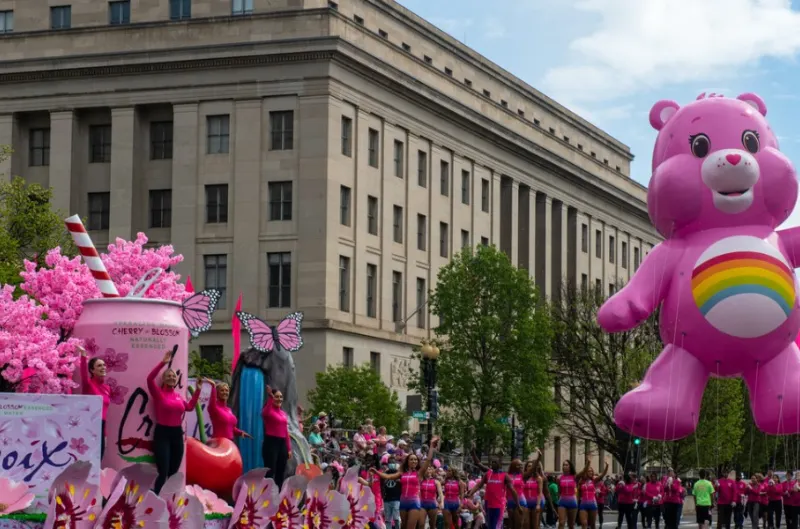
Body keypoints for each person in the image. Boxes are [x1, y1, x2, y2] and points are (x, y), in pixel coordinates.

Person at [146, 350, 204, 493]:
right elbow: (149, 379)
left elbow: (189, 407)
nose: (172, 378)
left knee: (173, 473)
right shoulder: (159, 394)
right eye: (169, 376)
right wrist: (163, 363)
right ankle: (157, 500)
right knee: (163, 472)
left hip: (177, 434)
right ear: (164, 380)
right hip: (162, 433)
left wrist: (197, 391)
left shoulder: (179, 396)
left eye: (174, 376)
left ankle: (171, 501)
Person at [371, 438, 439, 529]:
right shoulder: (402, 473)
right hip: (403, 503)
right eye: (411, 459)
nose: (414, 461)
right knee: (403, 526)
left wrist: (431, 447)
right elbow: (389, 477)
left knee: (410, 527)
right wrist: (376, 472)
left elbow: (428, 460)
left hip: (414, 503)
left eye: (415, 460)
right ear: (407, 461)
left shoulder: (419, 473)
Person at [467, 448, 521, 529]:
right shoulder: (488, 473)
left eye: (495, 462)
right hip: (488, 504)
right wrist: (470, 493)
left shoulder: (505, 476)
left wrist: (518, 505)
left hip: (499, 505)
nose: (493, 464)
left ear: (500, 464)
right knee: (490, 526)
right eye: (492, 462)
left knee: (497, 526)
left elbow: (513, 490)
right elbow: (478, 485)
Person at [78, 346, 110, 459]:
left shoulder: (107, 388)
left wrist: (105, 434)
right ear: (92, 370)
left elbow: (104, 415)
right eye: (99, 365)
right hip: (90, 425)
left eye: (104, 365)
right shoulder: (88, 385)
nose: (103, 367)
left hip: (101, 425)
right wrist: (83, 355)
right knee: (88, 459)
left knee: (99, 459)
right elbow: (83, 373)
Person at [261, 385, 292, 489]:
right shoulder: (268, 410)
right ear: (272, 398)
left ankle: (278, 494)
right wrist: (270, 397)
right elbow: (265, 413)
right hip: (271, 442)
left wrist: (289, 448)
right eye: (277, 396)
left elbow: (286, 431)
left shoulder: (283, 413)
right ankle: (266, 494)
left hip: (282, 442)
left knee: (281, 470)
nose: (279, 399)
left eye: (281, 397)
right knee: (270, 470)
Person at [577, 459, 609, 529]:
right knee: (584, 524)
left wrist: (607, 466)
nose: (591, 472)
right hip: (583, 505)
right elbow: (578, 494)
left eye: (591, 471)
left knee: (593, 525)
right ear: (585, 472)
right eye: (589, 471)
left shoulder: (594, 480)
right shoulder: (580, 481)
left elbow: (602, 475)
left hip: (593, 504)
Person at [381, 455, 402, 529]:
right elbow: (381, 485)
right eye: (390, 462)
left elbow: (403, 485)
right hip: (387, 499)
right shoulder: (385, 474)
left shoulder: (399, 473)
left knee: (396, 518)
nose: (391, 463)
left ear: (395, 463)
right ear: (388, 464)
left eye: (393, 462)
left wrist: (399, 481)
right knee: (387, 520)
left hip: (396, 499)